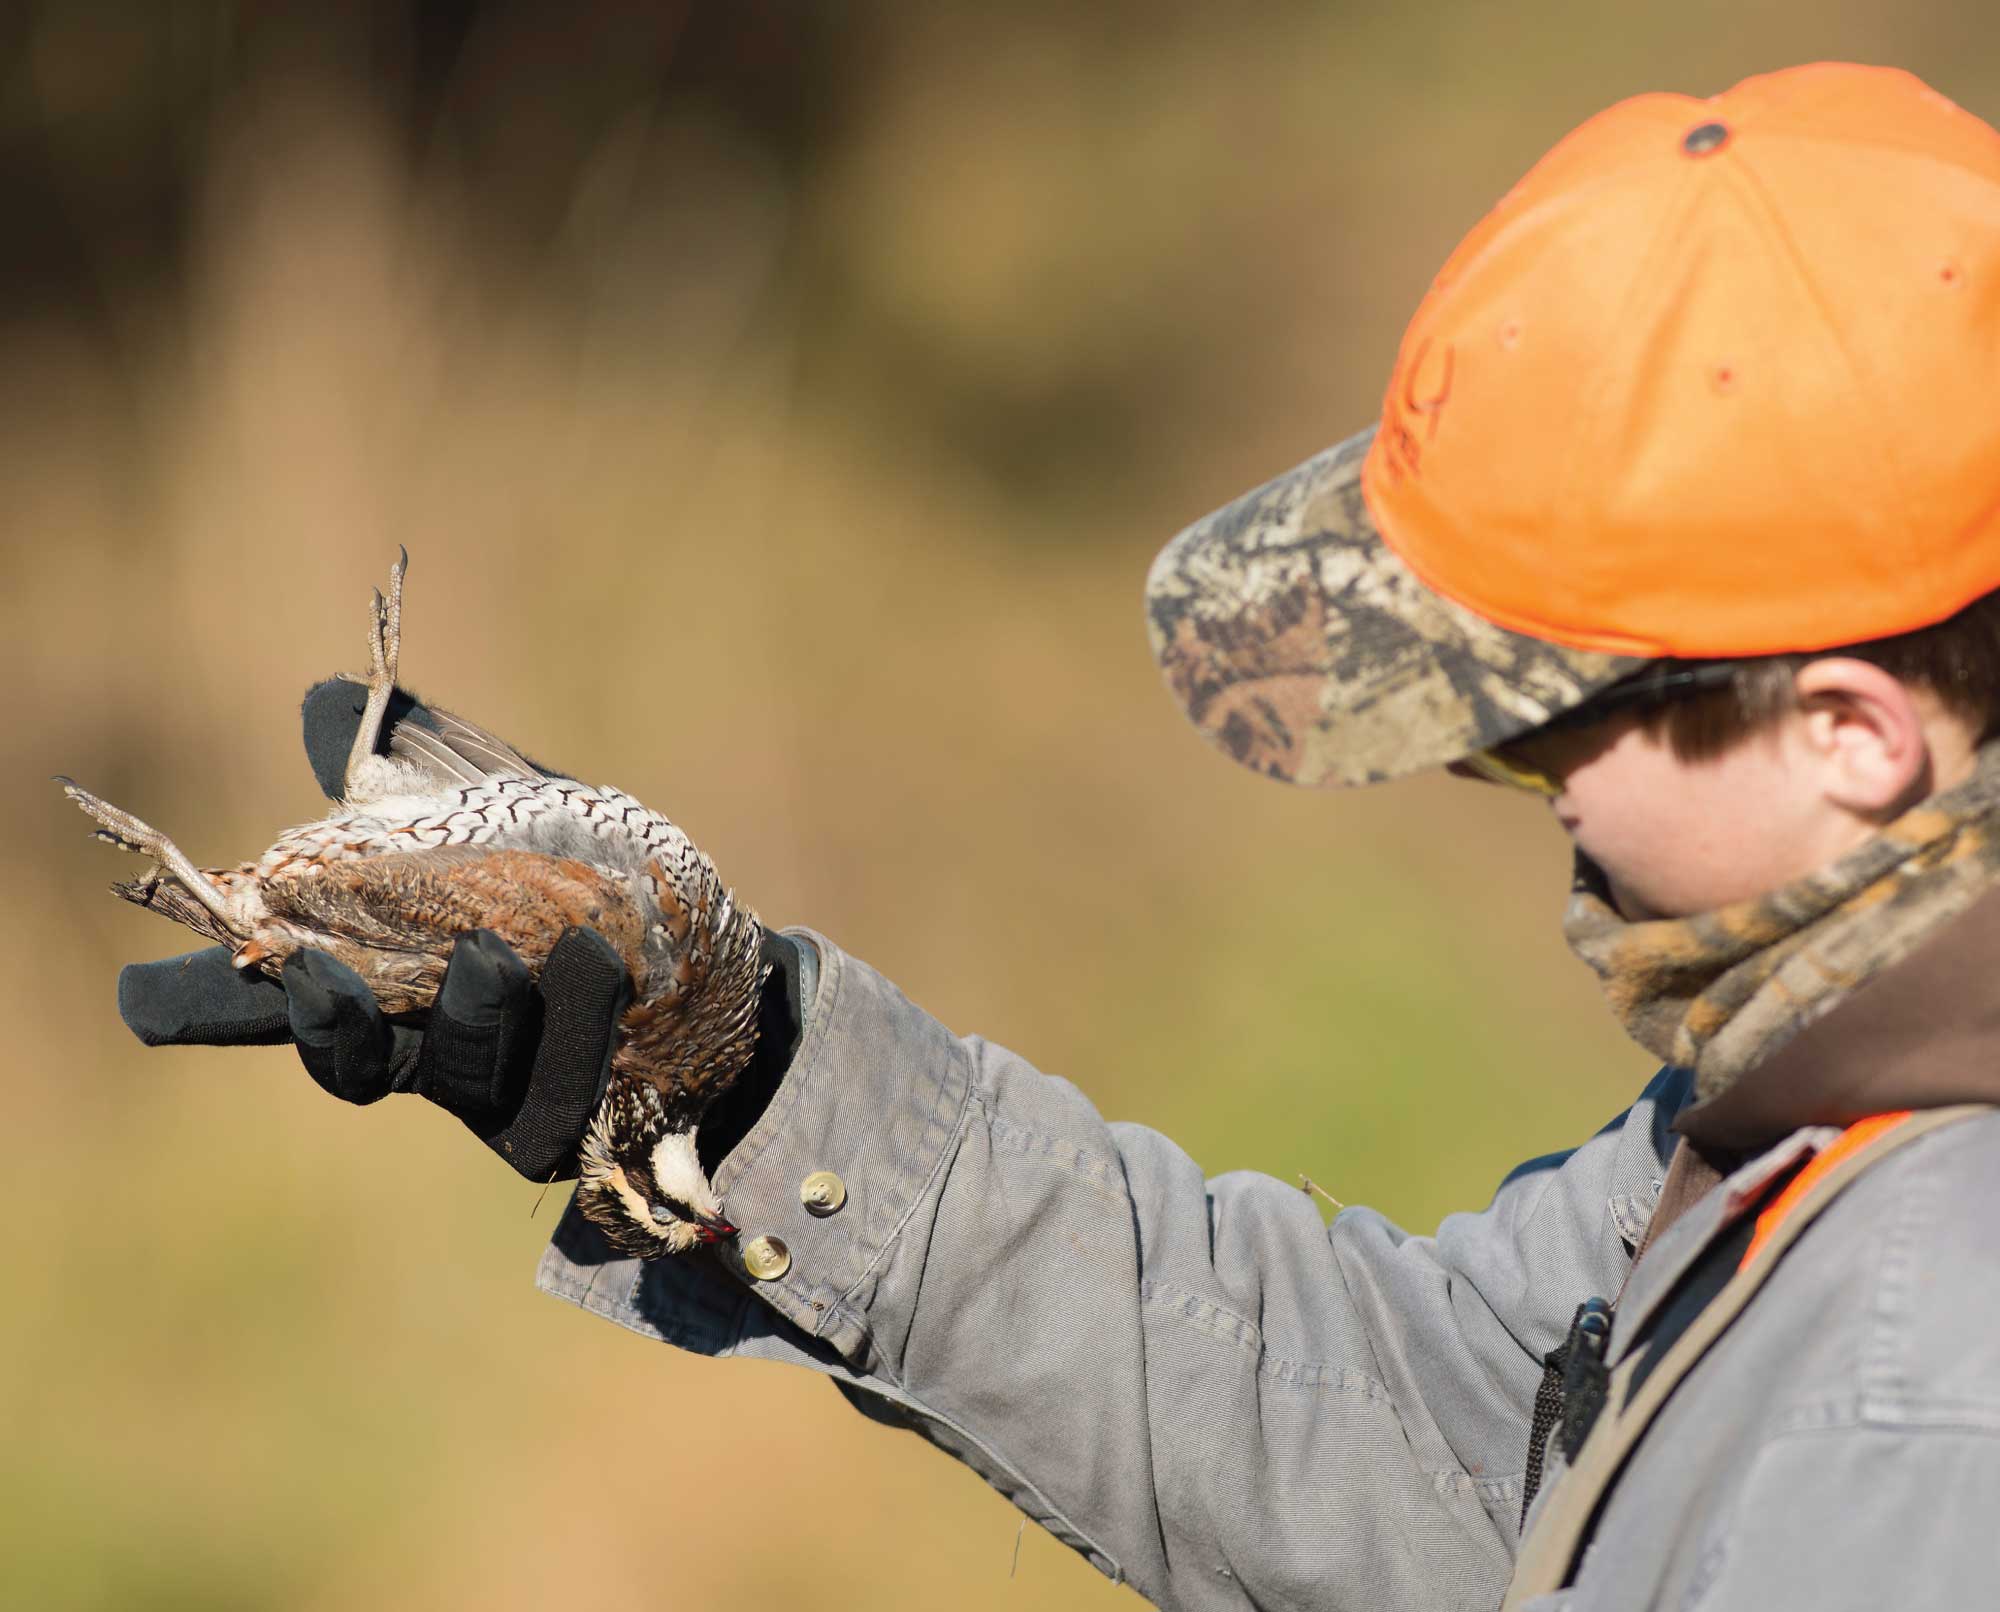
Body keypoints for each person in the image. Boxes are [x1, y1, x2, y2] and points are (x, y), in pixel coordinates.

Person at [115, 62, 2000, 1610]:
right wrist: (750, 1081)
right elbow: (1474, 1447)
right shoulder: (1824, 1086)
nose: (1515, 792)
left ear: (1851, 734)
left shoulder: (1925, 1407)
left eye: (1535, 731)